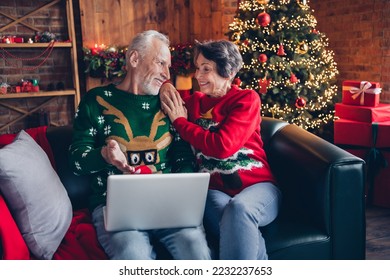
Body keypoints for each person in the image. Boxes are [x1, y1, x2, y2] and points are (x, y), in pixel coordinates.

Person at [69, 30, 211, 260]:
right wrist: (104, 154)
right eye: (161, 63)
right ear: (134, 59)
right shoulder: (95, 100)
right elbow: (76, 161)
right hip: (115, 207)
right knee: (133, 254)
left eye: (169, 66)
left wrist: (186, 200)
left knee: (196, 249)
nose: (167, 74)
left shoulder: (169, 102)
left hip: (167, 204)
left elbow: (183, 155)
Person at [160, 39, 281, 260]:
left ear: (228, 71)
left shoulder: (246, 99)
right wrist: (166, 84)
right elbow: (162, 93)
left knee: (240, 209)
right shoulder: (193, 102)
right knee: (237, 216)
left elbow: (223, 146)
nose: (198, 76)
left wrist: (181, 123)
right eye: (198, 68)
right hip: (214, 190)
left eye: (206, 69)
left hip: (259, 187)